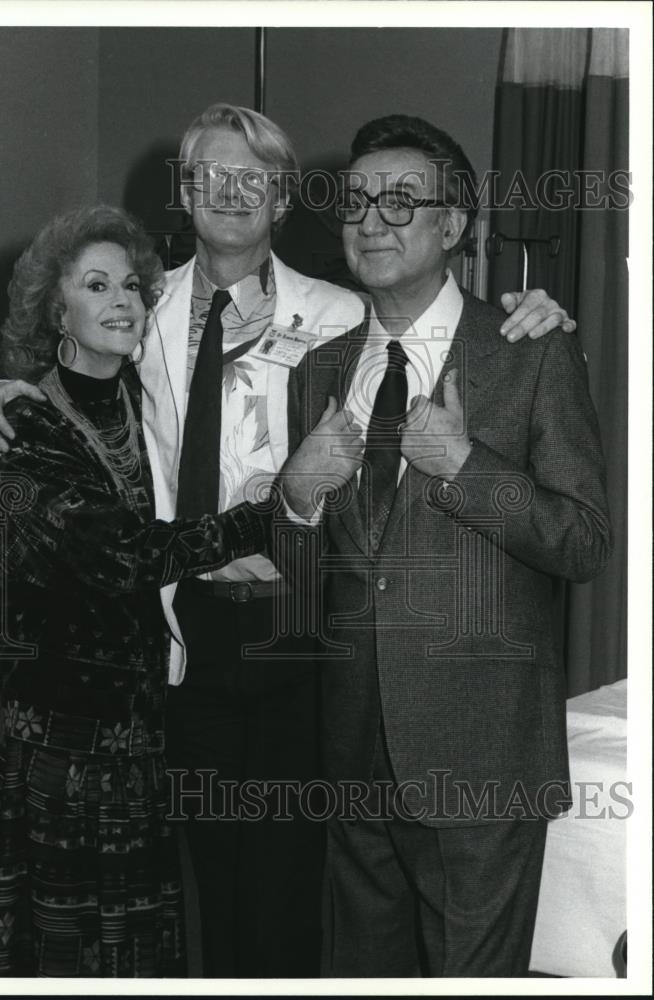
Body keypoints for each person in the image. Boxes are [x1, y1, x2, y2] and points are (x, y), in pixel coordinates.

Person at [0, 104, 576, 978]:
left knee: (298, 888)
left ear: (284, 199)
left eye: (254, 177)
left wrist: (532, 312)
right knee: (205, 879)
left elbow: (439, 324)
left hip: (304, 632)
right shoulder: (142, 306)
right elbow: (71, 367)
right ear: (184, 193)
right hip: (182, 629)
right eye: (211, 175)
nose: (231, 192)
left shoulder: (341, 310)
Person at [282, 114, 612, 977]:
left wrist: (466, 465)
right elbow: (314, 569)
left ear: (454, 225)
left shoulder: (530, 353)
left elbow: (584, 541)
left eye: (401, 201)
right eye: (356, 202)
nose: (372, 221)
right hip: (353, 750)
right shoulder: (318, 372)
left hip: (482, 759)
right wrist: (296, 498)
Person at [0, 205, 302, 977]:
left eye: (130, 286)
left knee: (136, 937)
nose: (122, 301)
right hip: (64, 727)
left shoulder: (139, 397)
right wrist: (272, 513)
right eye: (95, 286)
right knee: (68, 941)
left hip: (140, 720)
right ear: (57, 311)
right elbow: (126, 555)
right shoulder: (28, 427)